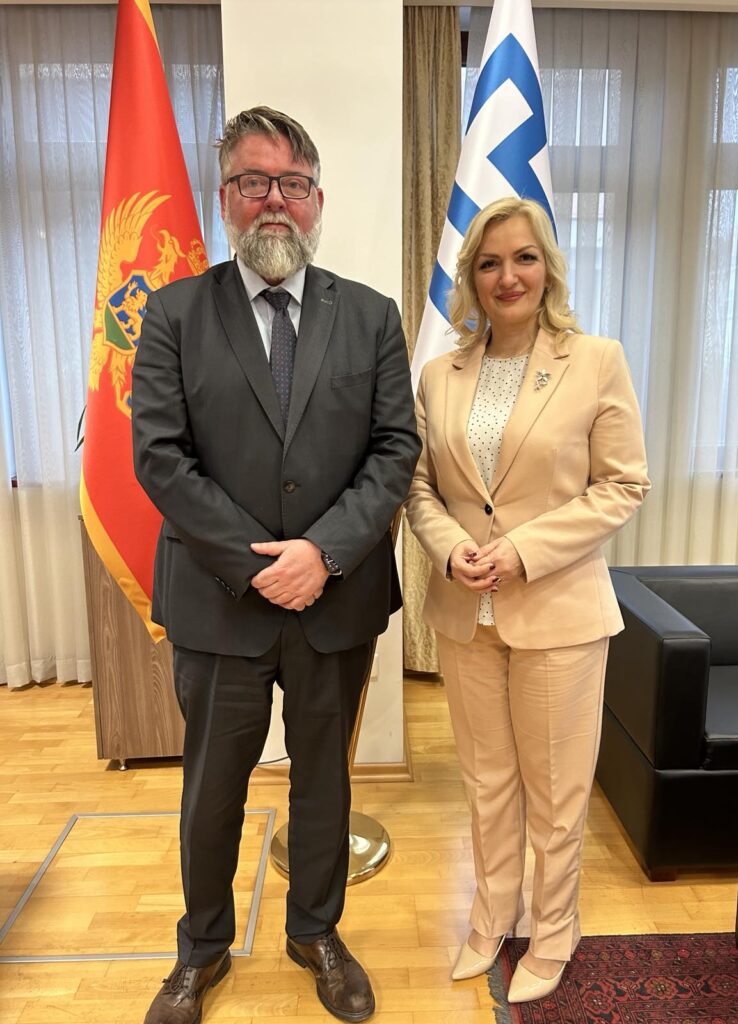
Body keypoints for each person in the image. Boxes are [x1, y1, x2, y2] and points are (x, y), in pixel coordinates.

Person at [132, 105, 420, 1024]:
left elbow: (394, 451)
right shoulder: (174, 313)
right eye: (253, 182)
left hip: (336, 599)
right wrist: (260, 565)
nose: (274, 201)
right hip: (220, 601)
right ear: (225, 198)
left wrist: (322, 554)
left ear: (317, 201)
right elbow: (160, 457)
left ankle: (316, 933)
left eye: (292, 184)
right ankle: (200, 948)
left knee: (324, 780)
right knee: (212, 787)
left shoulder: (370, 316)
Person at [405, 196, 650, 1004]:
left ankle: (554, 928)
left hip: (559, 611)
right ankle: (492, 917)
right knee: (487, 783)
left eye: (523, 258)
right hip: (465, 613)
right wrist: (450, 548)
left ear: (548, 267)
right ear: (471, 278)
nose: (507, 276)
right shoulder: (440, 374)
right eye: (489, 262)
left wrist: (524, 550)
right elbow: (420, 488)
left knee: (555, 791)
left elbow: (623, 485)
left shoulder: (596, 360)